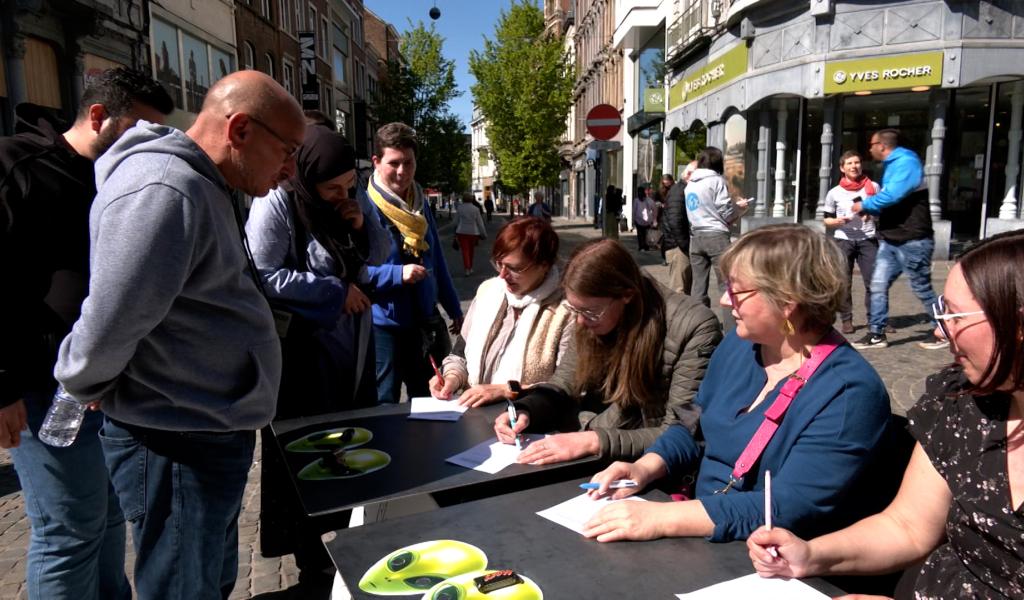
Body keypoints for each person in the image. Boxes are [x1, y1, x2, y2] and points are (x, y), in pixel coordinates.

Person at [53, 70, 305, 600]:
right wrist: (82, 380)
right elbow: (112, 318)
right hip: (174, 438)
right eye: (286, 150)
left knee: (203, 579)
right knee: (181, 587)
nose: (289, 170)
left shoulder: (203, 183)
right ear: (239, 131)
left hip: (201, 430)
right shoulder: (166, 188)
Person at [748, 230, 1024, 599]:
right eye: (941, 311)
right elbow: (906, 525)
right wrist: (809, 555)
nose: (943, 332)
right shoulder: (964, 399)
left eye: (956, 316)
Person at [580, 224, 891, 544]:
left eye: (737, 290)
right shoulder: (741, 346)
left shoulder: (848, 393)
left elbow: (788, 507)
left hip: (765, 560)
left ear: (787, 301)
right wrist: (645, 467)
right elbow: (692, 423)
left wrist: (662, 518)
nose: (726, 300)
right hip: (700, 530)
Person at [0, 68, 172, 600]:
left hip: (99, 386)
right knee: (68, 529)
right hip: (35, 385)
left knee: (108, 517)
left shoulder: (119, 180)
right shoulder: (19, 167)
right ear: (98, 117)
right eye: (139, 130)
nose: (148, 147)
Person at [245, 124, 384, 589]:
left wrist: (361, 222)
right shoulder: (279, 200)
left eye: (348, 186)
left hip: (352, 352)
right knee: (308, 456)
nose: (341, 195)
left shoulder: (348, 195)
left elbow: (379, 254)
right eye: (331, 188)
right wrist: (331, 291)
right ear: (306, 176)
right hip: (303, 356)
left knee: (351, 448)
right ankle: (311, 562)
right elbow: (263, 274)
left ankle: (346, 542)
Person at [494, 239, 721, 464]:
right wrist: (527, 410)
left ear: (627, 295)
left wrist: (592, 441)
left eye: (591, 312)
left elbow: (681, 431)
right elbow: (563, 383)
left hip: (651, 469)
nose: (581, 321)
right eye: (575, 309)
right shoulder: (592, 316)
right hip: (597, 442)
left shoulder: (693, 326)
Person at [360, 122, 463, 403]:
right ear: (376, 162)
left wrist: (453, 307)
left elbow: (436, 260)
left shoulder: (419, 202)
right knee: (385, 399)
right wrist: (397, 274)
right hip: (385, 323)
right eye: (394, 163)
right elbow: (353, 271)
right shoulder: (363, 206)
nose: (402, 171)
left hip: (424, 319)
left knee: (430, 397)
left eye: (409, 162)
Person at [430, 217, 574, 406]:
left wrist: (506, 390)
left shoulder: (566, 311)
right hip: (473, 416)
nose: (502, 275)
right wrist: (451, 377)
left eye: (514, 268)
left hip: (528, 422)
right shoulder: (489, 291)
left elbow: (567, 387)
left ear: (544, 266)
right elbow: (460, 354)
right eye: (499, 264)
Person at [850, 129, 944, 351]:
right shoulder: (894, 164)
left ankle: (944, 328)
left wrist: (865, 205)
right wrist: (875, 212)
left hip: (913, 238)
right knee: (878, 285)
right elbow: (895, 201)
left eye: (872, 144)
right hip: (892, 238)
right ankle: (876, 334)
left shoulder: (906, 162)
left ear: (882, 145)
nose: (870, 148)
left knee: (922, 288)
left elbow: (893, 194)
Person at [685, 147, 751, 308]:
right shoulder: (716, 181)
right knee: (726, 286)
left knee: (698, 286)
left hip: (696, 236)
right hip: (716, 237)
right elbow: (726, 212)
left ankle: (700, 325)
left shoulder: (690, 184)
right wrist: (740, 208)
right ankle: (731, 330)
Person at [823, 151, 878, 335]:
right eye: (850, 163)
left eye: (857, 162)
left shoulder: (873, 187)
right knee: (844, 283)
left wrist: (872, 214)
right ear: (842, 168)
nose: (854, 166)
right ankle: (847, 320)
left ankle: (875, 320)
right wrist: (837, 222)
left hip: (868, 240)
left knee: (874, 282)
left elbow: (885, 211)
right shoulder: (834, 193)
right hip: (844, 240)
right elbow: (827, 220)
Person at [661, 171, 693, 294]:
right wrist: (684, 244)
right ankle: (676, 313)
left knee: (684, 287)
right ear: (689, 174)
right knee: (679, 289)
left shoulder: (682, 190)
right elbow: (675, 221)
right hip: (678, 246)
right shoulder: (679, 191)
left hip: (679, 244)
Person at [455, 191, 488, 276]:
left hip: (461, 231)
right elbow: (480, 222)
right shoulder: (475, 209)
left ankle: (467, 268)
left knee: (465, 251)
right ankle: (470, 267)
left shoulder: (460, 208)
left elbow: (456, 221)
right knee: (471, 251)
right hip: (473, 232)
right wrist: (483, 233)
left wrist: (454, 231)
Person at [633, 185, 656, 252]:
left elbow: (634, 210)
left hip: (642, 220)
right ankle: (644, 246)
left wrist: (633, 218)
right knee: (644, 234)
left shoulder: (637, 200)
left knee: (642, 234)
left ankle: (643, 246)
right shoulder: (647, 200)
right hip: (644, 220)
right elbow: (654, 209)